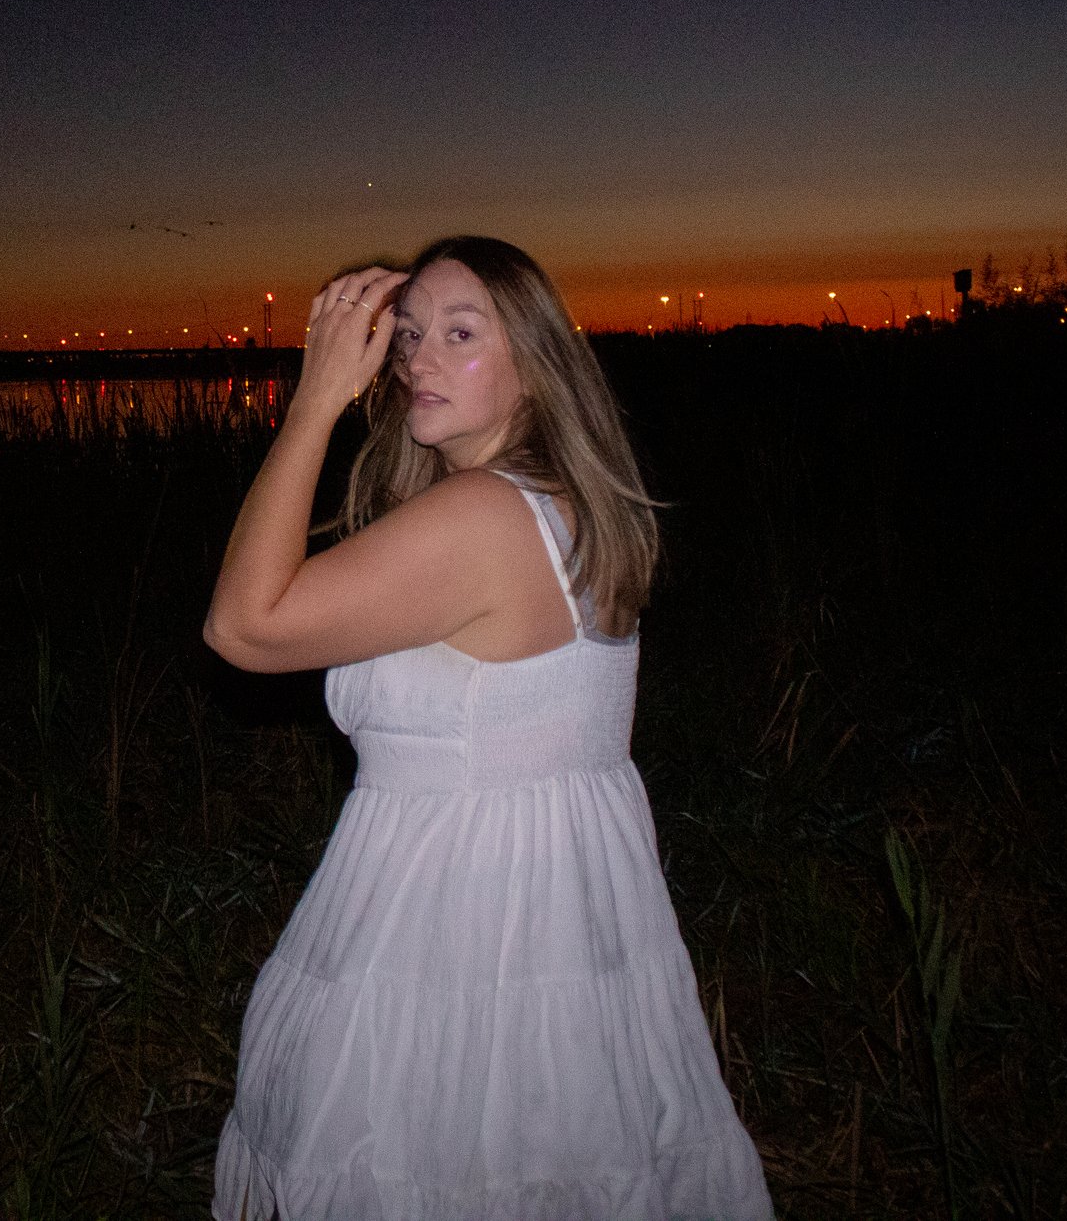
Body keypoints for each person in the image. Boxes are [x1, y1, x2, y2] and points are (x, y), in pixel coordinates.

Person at [204, 236, 773, 1220]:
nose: (418, 357)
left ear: (536, 365)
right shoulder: (559, 506)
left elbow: (243, 626)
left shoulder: (487, 517)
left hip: (460, 932)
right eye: (409, 335)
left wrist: (313, 401)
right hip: (541, 925)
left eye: (460, 334)